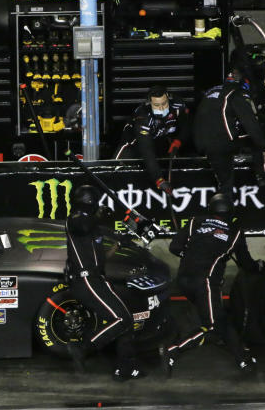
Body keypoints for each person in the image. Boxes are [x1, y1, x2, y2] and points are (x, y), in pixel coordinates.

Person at [162, 192, 259, 374]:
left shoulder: (194, 221)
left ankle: (242, 359)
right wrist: (259, 266)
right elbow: (247, 264)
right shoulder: (235, 232)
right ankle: (174, 349)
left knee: (219, 318)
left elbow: (175, 247)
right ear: (230, 211)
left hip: (183, 280)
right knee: (213, 325)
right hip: (205, 283)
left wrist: (192, 256)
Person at [64, 184, 142, 381]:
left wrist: (119, 243)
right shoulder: (75, 220)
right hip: (85, 280)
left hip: (96, 278)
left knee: (125, 319)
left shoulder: (93, 229)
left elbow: (101, 257)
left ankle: (126, 368)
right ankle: (82, 349)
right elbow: (83, 224)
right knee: (121, 319)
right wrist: (99, 216)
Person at [193, 70, 265, 197]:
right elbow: (251, 124)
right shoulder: (236, 94)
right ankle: (263, 175)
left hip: (201, 143)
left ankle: (221, 209)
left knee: (225, 186)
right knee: (255, 137)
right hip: (222, 142)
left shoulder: (211, 91)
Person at [114, 86, 191, 195]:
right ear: (150, 103)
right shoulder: (143, 116)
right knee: (115, 171)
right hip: (134, 144)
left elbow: (187, 126)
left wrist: (179, 141)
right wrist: (158, 179)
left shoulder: (178, 105)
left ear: (168, 98)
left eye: (164, 104)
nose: (161, 108)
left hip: (160, 141)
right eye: (156, 105)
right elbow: (147, 151)